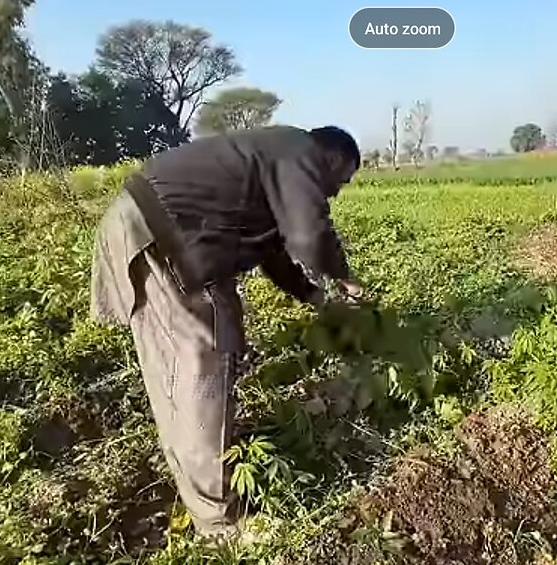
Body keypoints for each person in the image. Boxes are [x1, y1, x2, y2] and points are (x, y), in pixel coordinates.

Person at [89, 125, 365, 538]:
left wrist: (314, 295)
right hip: (166, 241)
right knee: (205, 374)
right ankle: (221, 522)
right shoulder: (298, 149)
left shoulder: (270, 160)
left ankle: (203, 482)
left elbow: (274, 252)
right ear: (331, 157)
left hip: (147, 231)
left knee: (181, 379)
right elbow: (309, 234)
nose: (336, 192)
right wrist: (344, 278)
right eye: (341, 180)